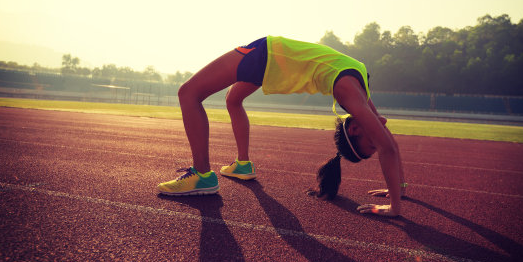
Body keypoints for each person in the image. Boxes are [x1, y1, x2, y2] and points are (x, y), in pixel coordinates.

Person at [157, 36, 407, 217]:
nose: (378, 131)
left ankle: (202, 175)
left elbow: (387, 143)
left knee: (188, 93)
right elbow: (389, 147)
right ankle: (242, 164)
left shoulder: (355, 91)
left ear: (354, 128)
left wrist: (397, 192)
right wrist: (397, 199)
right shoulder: (354, 93)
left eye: (371, 141)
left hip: (270, 56)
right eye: (372, 143)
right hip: (271, 57)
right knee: (230, 99)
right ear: (353, 129)